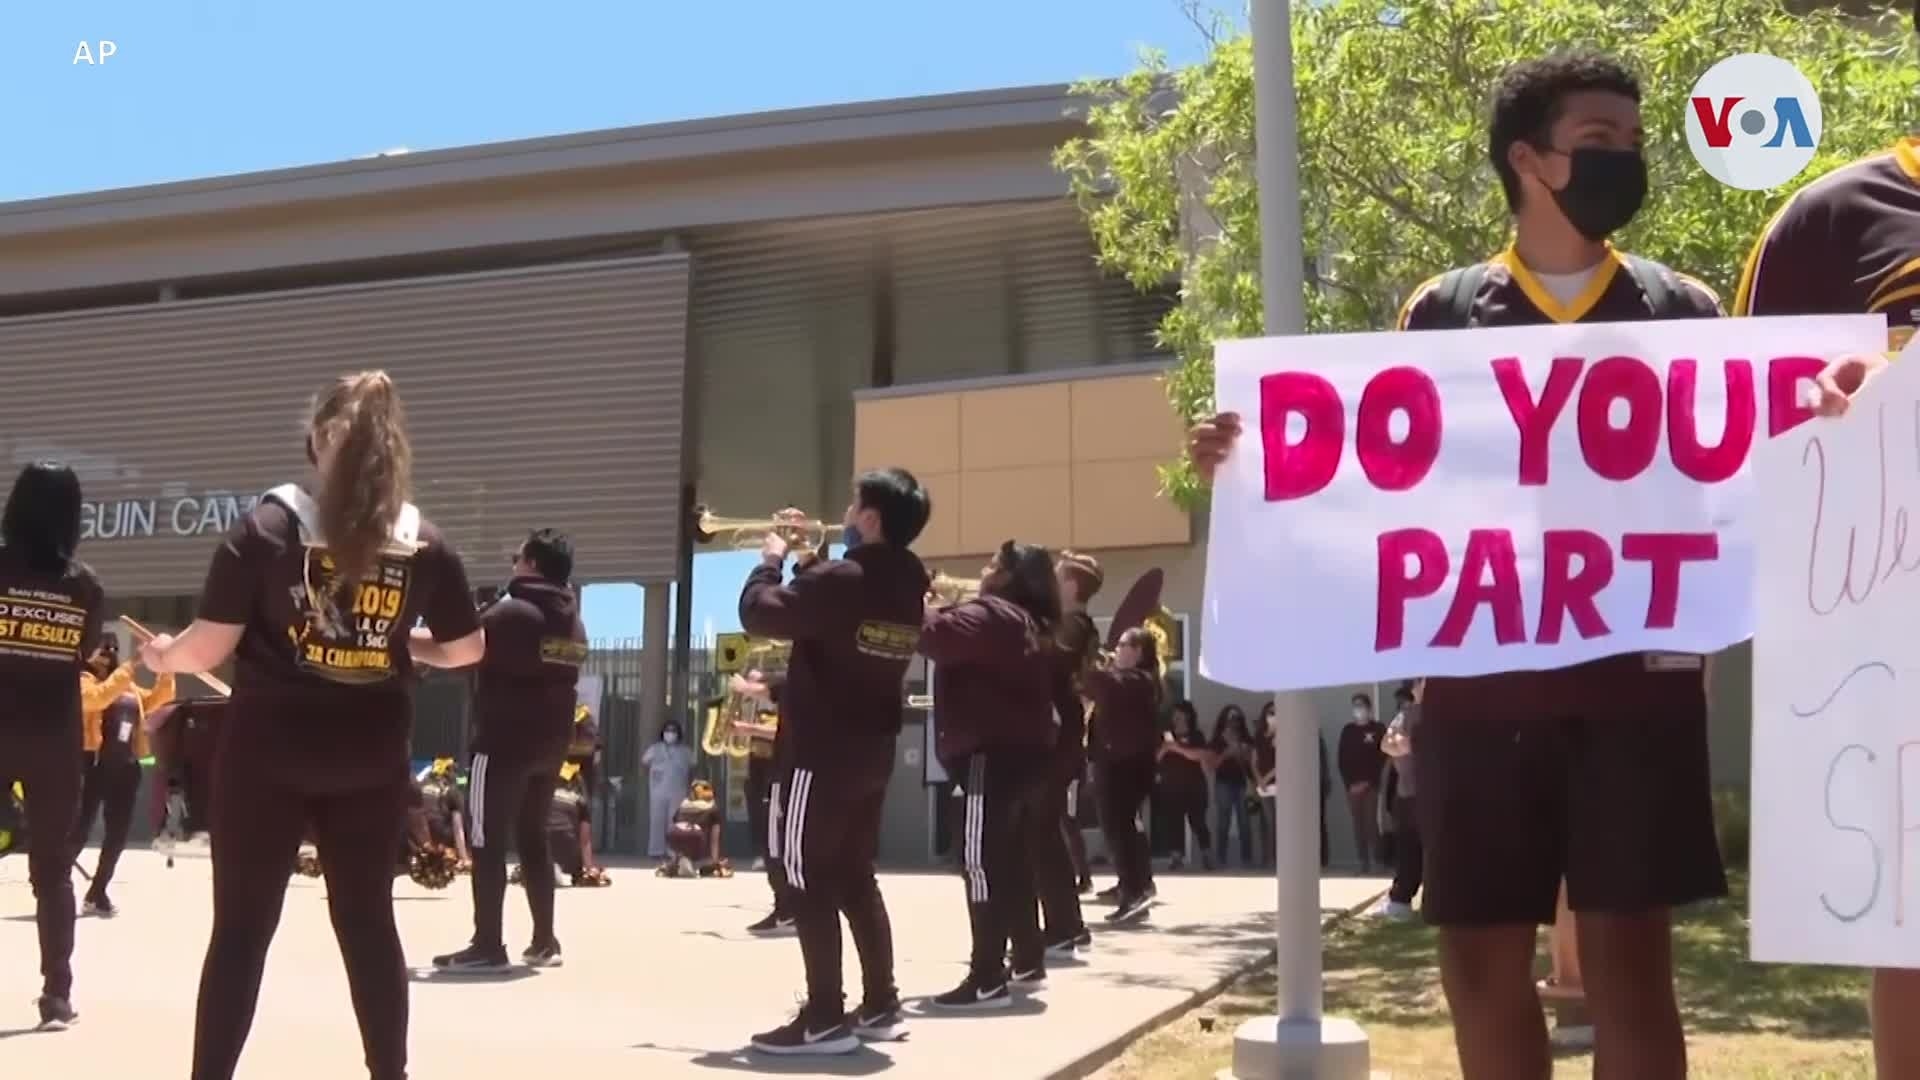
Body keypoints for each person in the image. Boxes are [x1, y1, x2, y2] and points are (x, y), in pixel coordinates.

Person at [1187, 53, 1728, 1080]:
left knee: (1631, 976)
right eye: (1599, 143)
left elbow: (1740, 465)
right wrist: (1249, 461)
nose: (1627, 161)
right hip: (1478, 694)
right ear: (1528, 159)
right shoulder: (1441, 311)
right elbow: (1374, 478)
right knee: (1478, 971)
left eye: (1633, 142)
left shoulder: (1684, 309)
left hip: (1634, 692)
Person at [140, 372, 485, 1080]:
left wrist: (163, 654)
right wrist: (399, 645)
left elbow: (207, 649)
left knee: (240, 932)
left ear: (318, 440)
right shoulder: (424, 542)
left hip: (268, 756)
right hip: (370, 758)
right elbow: (467, 648)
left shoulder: (266, 529)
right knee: (366, 925)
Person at [1735, 6, 1920, 1064]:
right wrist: (1832, 412)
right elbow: (1739, 435)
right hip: (1901, 665)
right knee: (1913, 919)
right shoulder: (1833, 219)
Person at [738, 470, 931, 1056]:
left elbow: (762, 614)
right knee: (853, 875)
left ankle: (823, 1016)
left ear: (870, 519)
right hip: (870, 750)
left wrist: (771, 560)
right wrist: (811, 561)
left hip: (818, 753)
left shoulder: (847, 578)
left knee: (803, 877)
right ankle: (880, 1003)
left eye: (853, 505)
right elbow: (831, 624)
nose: (845, 512)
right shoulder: (905, 584)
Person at [434, 529, 586, 975]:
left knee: (486, 841)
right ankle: (544, 941)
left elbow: (459, 650)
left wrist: (400, 640)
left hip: (500, 742)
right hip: (550, 743)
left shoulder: (512, 611)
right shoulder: (572, 619)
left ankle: (487, 945)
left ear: (533, 565)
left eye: (517, 557)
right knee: (533, 839)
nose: (512, 564)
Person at [921, 540, 1061, 1010]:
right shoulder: (1029, 622)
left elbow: (933, 638)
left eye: (992, 564)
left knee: (979, 863)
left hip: (990, 755)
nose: (982, 569)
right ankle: (1026, 959)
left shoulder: (991, 613)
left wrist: (922, 606)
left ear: (1006, 577)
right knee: (1013, 863)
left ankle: (986, 977)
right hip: (1028, 757)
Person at [0, 460, 107, 1031]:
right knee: (53, 872)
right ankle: (56, 995)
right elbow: (83, 655)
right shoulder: (85, 586)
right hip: (53, 740)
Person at [72, 633, 175, 917]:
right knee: (78, 831)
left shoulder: (125, 685)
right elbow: (98, 698)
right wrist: (132, 663)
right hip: (93, 767)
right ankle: (50, 883)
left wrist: (165, 667)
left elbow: (158, 699)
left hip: (127, 768)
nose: (107, 654)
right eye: (102, 648)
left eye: (113, 649)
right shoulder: (83, 680)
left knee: (117, 835)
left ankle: (98, 892)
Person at [1085, 627, 1163, 925]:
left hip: (1125, 765)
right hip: (1118, 762)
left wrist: (1085, 658)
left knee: (1119, 828)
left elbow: (1100, 682)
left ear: (1138, 652)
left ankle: (1134, 892)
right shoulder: (1128, 679)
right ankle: (1135, 884)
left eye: (1123, 645)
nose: (1116, 650)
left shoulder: (1138, 680)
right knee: (1124, 826)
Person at [1052, 551, 1103, 896]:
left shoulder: (1073, 626)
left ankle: (1066, 913)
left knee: (1051, 823)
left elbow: (1047, 663)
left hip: (1061, 733)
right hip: (1064, 730)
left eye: (1056, 578)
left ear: (1070, 586)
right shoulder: (1072, 624)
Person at [733, 668, 798, 933]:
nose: (751, 686)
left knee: (777, 848)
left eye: (755, 682)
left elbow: (780, 732)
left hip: (781, 775)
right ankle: (784, 907)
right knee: (767, 843)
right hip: (761, 776)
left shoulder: (788, 697)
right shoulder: (756, 708)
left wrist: (746, 727)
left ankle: (790, 908)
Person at [1374, 682, 1422, 920]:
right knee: (1408, 849)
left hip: (1431, 793)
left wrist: (1408, 745)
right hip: (1406, 794)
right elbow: (1386, 743)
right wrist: (1401, 746)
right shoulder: (1406, 714)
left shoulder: (1441, 714)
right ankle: (1401, 901)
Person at [1155, 701, 1213, 871]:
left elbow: (1200, 755)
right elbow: (1156, 759)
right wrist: (1165, 749)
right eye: (1174, 714)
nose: (1176, 717)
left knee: (1198, 821)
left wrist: (1177, 748)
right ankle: (1176, 857)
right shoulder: (1165, 735)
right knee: (1173, 822)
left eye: (1179, 713)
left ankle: (1207, 855)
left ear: (1187, 715)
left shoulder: (1196, 735)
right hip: (1171, 786)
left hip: (1194, 786)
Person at [1336, 694, 1386, 872]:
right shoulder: (1348, 730)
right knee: (1358, 825)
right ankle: (1363, 862)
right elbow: (1342, 760)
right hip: (1352, 786)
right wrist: (1350, 784)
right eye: (1355, 705)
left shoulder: (1378, 728)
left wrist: (1369, 782)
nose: (1358, 709)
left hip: (1371, 785)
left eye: (1361, 705)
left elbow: (1381, 759)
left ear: (1369, 708)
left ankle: (1378, 861)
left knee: (1371, 823)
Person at [1209, 705, 1256, 868]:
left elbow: (1253, 763)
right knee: (1223, 821)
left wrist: (1242, 752)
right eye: (1230, 718)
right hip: (1223, 782)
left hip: (1242, 783)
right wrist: (1226, 752)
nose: (1233, 722)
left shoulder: (1247, 739)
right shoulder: (1217, 740)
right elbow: (1212, 765)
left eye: (1236, 718)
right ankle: (1220, 859)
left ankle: (1247, 859)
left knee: (1245, 822)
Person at [643, 720, 697, 860]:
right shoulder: (654, 749)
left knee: (675, 822)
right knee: (657, 820)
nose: (670, 733)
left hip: (678, 790)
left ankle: (673, 852)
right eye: (667, 730)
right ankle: (656, 851)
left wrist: (691, 788)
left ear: (678, 733)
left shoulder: (686, 751)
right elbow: (644, 765)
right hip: (657, 791)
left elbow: (693, 769)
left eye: (673, 731)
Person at [1250, 701, 1277, 868]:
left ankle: (1276, 858)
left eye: (1275, 713)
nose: (1272, 717)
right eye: (1270, 713)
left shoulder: (1283, 735)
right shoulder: (1259, 736)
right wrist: (1259, 779)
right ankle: (1266, 858)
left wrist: (1266, 778)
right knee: (1266, 823)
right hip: (1263, 786)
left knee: (1277, 823)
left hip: (1278, 784)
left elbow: (1282, 762)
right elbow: (1254, 761)